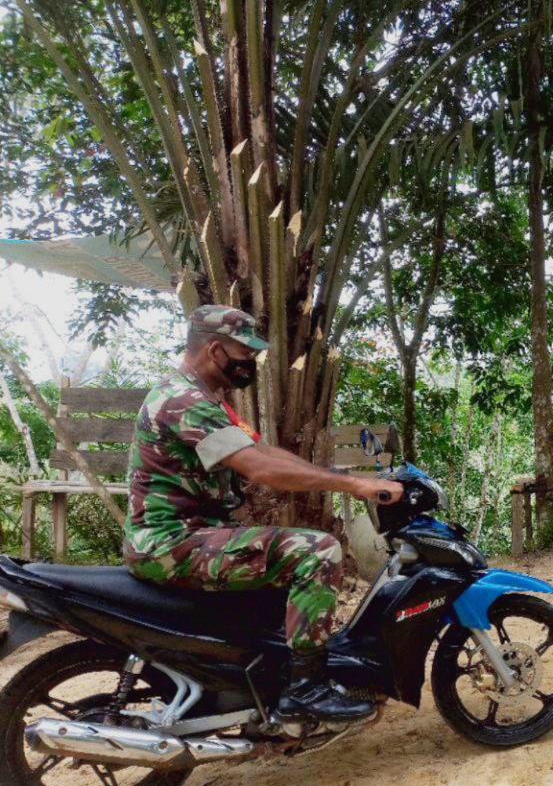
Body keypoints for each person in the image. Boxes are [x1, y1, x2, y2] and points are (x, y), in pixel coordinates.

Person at [123, 304, 404, 722]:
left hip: (190, 535)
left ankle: (264, 674)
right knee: (319, 551)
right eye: (245, 353)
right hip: (173, 543)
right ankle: (305, 689)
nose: (251, 362)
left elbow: (261, 451)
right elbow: (259, 469)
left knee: (280, 556)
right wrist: (356, 485)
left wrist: (355, 476)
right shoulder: (184, 400)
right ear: (215, 351)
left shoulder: (202, 397)